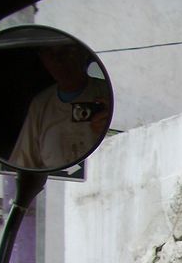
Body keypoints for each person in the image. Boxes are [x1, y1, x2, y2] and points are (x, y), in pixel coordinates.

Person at [9, 41, 110, 170]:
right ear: (43, 59)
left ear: (83, 53)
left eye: (67, 51)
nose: (59, 61)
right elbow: (21, 164)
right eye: (50, 53)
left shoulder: (107, 94)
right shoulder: (40, 105)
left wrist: (107, 131)